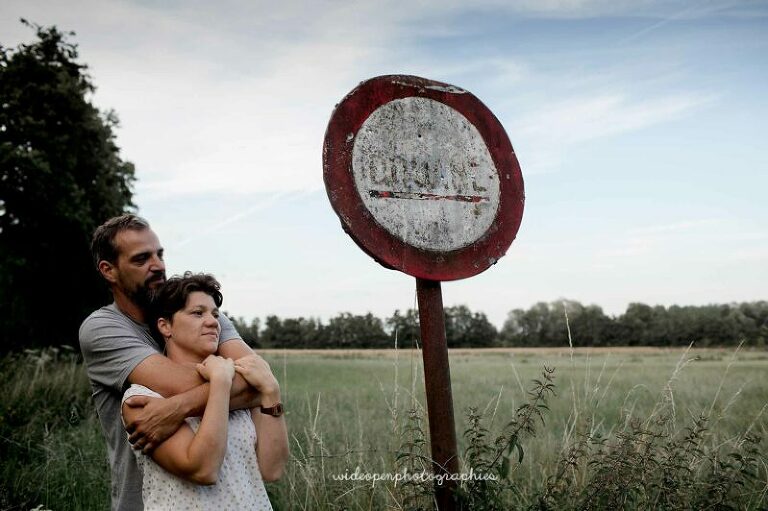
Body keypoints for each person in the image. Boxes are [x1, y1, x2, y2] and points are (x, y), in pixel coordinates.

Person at [79, 214, 269, 510]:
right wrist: (239, 384)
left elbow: (261, 378)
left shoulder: (203, 315)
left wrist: (174, 408)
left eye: (160, 254)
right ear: (109, 270)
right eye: (141, 259)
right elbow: (250, 386)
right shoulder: (103, 328)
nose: (158, 266)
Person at [121, 273, 288, 510]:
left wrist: (271, 392)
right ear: (165, 326)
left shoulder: (242, 391)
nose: (213, 322)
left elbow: (272, 469)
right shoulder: (143, 399)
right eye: (198, 313)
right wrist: (219, 383)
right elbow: (203, 470)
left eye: (215, 315)